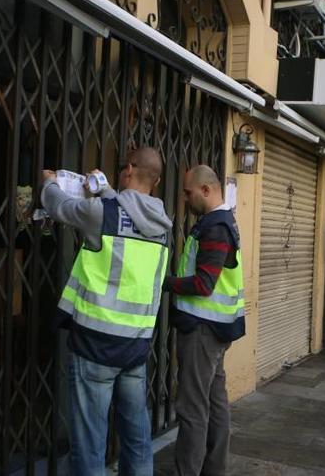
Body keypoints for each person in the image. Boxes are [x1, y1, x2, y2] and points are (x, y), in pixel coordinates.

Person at [41, 147, 172, 476]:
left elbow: (60, 207)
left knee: (90, 443)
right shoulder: (162, 226)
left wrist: (49, 183)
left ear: (128, 169)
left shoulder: (102, 213)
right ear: (155, 181)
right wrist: (105, 190)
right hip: (136, 347)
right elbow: (131, 216)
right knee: (137, 438)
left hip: (95, 347)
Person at [165, 165, 245, 476]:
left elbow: (203, 284)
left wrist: (165, 281)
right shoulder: (221, 222)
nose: (185, 199)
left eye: (188, 192)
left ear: (207, 190)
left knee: (192, 409)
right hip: (215, 329)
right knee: (214, 403)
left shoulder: (215, 227)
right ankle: (215, 470)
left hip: (203, 330)